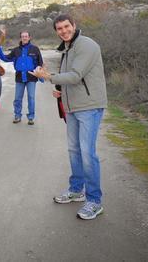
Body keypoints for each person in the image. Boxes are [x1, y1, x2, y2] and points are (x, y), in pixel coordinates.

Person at [30, 14, 107, 220]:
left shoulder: (86, 45)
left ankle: (94, 201)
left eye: (66, 27)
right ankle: (76, 190)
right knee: (74, 150)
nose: (63, 31)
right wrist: (58, 89)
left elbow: (75, 76)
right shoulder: (68, 47)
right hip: (72, 107)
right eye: (59, 29)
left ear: (74, 25)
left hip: (89, 107)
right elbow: (68, 81)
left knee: (87, 153)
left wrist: (48, 77)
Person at [0, 31, 43, 125]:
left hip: (32, 77)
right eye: (22, 36)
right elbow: (6, 58)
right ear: (20, 38)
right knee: (17, 98)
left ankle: (31, 117)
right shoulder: (16, 50)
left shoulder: (35, 49)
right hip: (19, 77)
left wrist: (40, 74)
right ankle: (17, 116)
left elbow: (40, 63)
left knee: (31, 98)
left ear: (29, 37)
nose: (24, 38)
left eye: (26, 36)